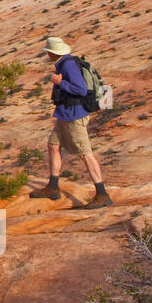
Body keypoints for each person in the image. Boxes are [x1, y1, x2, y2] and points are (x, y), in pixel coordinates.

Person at [29, 36, 112, 208]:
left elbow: (80, 89)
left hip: (75, 116)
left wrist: (61, 82)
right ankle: (53, 187)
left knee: (85, 153)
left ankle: (102, 194)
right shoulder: (64, 63)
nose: (47, 55)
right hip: (65, 114)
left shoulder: (67, 65)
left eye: (48, 52)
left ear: (52, 53)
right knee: (53, 145)